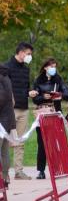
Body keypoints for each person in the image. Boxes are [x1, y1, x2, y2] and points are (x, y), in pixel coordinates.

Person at [32, 58, 67, 180]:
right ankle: (41, 170)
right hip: (42, 114)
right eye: (51, 66)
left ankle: (58, 168)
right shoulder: (38, 80)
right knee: (42, 143)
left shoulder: (58, 80)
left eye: (55, 66)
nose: (53, 69)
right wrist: (43, 96)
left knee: (56, 142)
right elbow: (35, 99)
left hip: (55, 113)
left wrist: (59, 95)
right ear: (46, 67)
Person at [3, 42, 34, 180]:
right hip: (9, 111)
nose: (29, 56)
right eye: (28, 54)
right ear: (21, 52)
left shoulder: (26, 69)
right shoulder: (6, 68)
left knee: (20, 141)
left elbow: (25, 88)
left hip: (24, 108)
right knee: (4, 142)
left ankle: (19, 171)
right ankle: (4, 173)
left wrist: (30, 93)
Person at [0, 63, 14, 187]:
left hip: (2, 121)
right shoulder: (5, 77)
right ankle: (5, 178)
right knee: (4, 151)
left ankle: (2, 179)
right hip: (7, 120)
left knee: (3, 151)